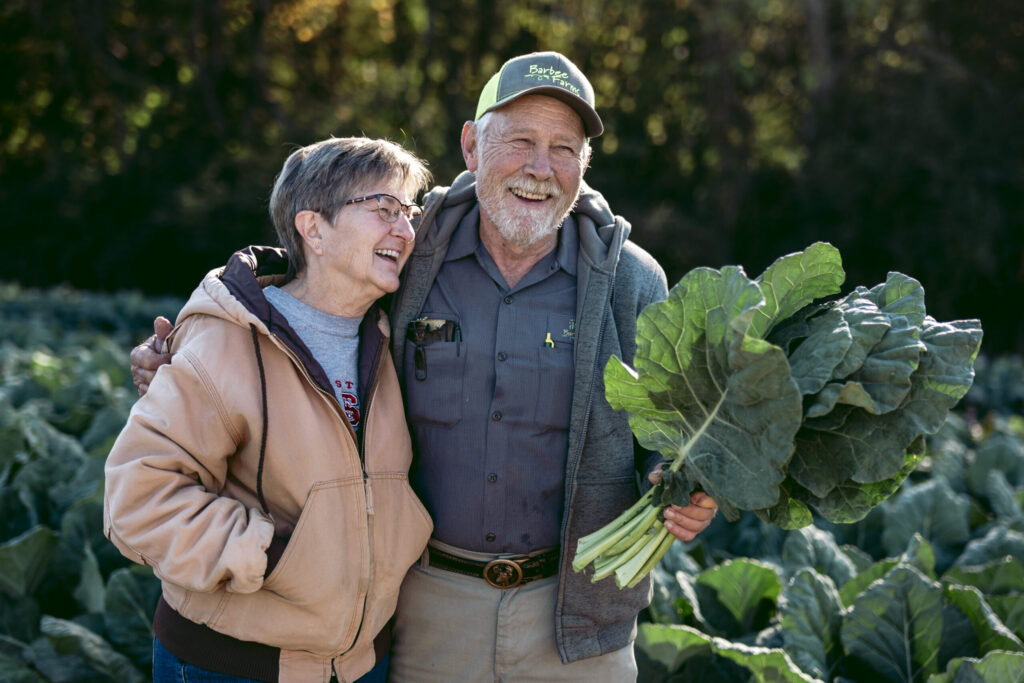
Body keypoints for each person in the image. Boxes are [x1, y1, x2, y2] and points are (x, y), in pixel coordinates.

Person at [132, 52, 718, 681]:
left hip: (577, 621)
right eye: (520, 140)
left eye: (564, 148)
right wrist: (188, 349)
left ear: (584, 165)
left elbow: (668, 426)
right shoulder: (410, 252)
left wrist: (684, 484)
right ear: (471, 146)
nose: (540, 167)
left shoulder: (632, 280)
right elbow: (303, 274)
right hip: (425, 606)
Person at [105, 137, 434, 683]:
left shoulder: (392, 334)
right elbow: (137, 499)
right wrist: (272, 556)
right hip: (234, 665)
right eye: (384, 210)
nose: (405, 231)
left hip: (362, 664)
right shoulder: (223, 344)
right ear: (313, 228)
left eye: (410, 213)